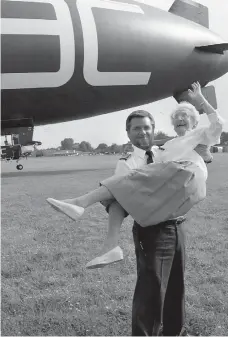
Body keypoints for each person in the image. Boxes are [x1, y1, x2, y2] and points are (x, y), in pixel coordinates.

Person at [47, 82, 223, 260]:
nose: (180, 118)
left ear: (194, 121)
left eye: (185, 115)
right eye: (177, 116)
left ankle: (80, 203)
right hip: (158, 212)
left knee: (129, 182)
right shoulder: (164, 149)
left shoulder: (197, 136)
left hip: (185, 190)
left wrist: (201, 101)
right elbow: (143, 180)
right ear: (128, 133)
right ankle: (110, 246)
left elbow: (216, 126)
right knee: (120, 190)